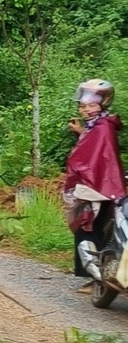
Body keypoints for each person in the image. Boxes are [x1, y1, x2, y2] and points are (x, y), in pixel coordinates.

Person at [63, 79, 122, 285]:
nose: (85, 109)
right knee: (92, 228)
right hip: (97, 187)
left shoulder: (103, 126)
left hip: (96, 188)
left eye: (91, 105)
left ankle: (94, 279)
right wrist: (81, 133)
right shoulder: (98, 125)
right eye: (82, 105)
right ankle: (94, 277)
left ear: (102, 104)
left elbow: (94, 160)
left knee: (88, 229)